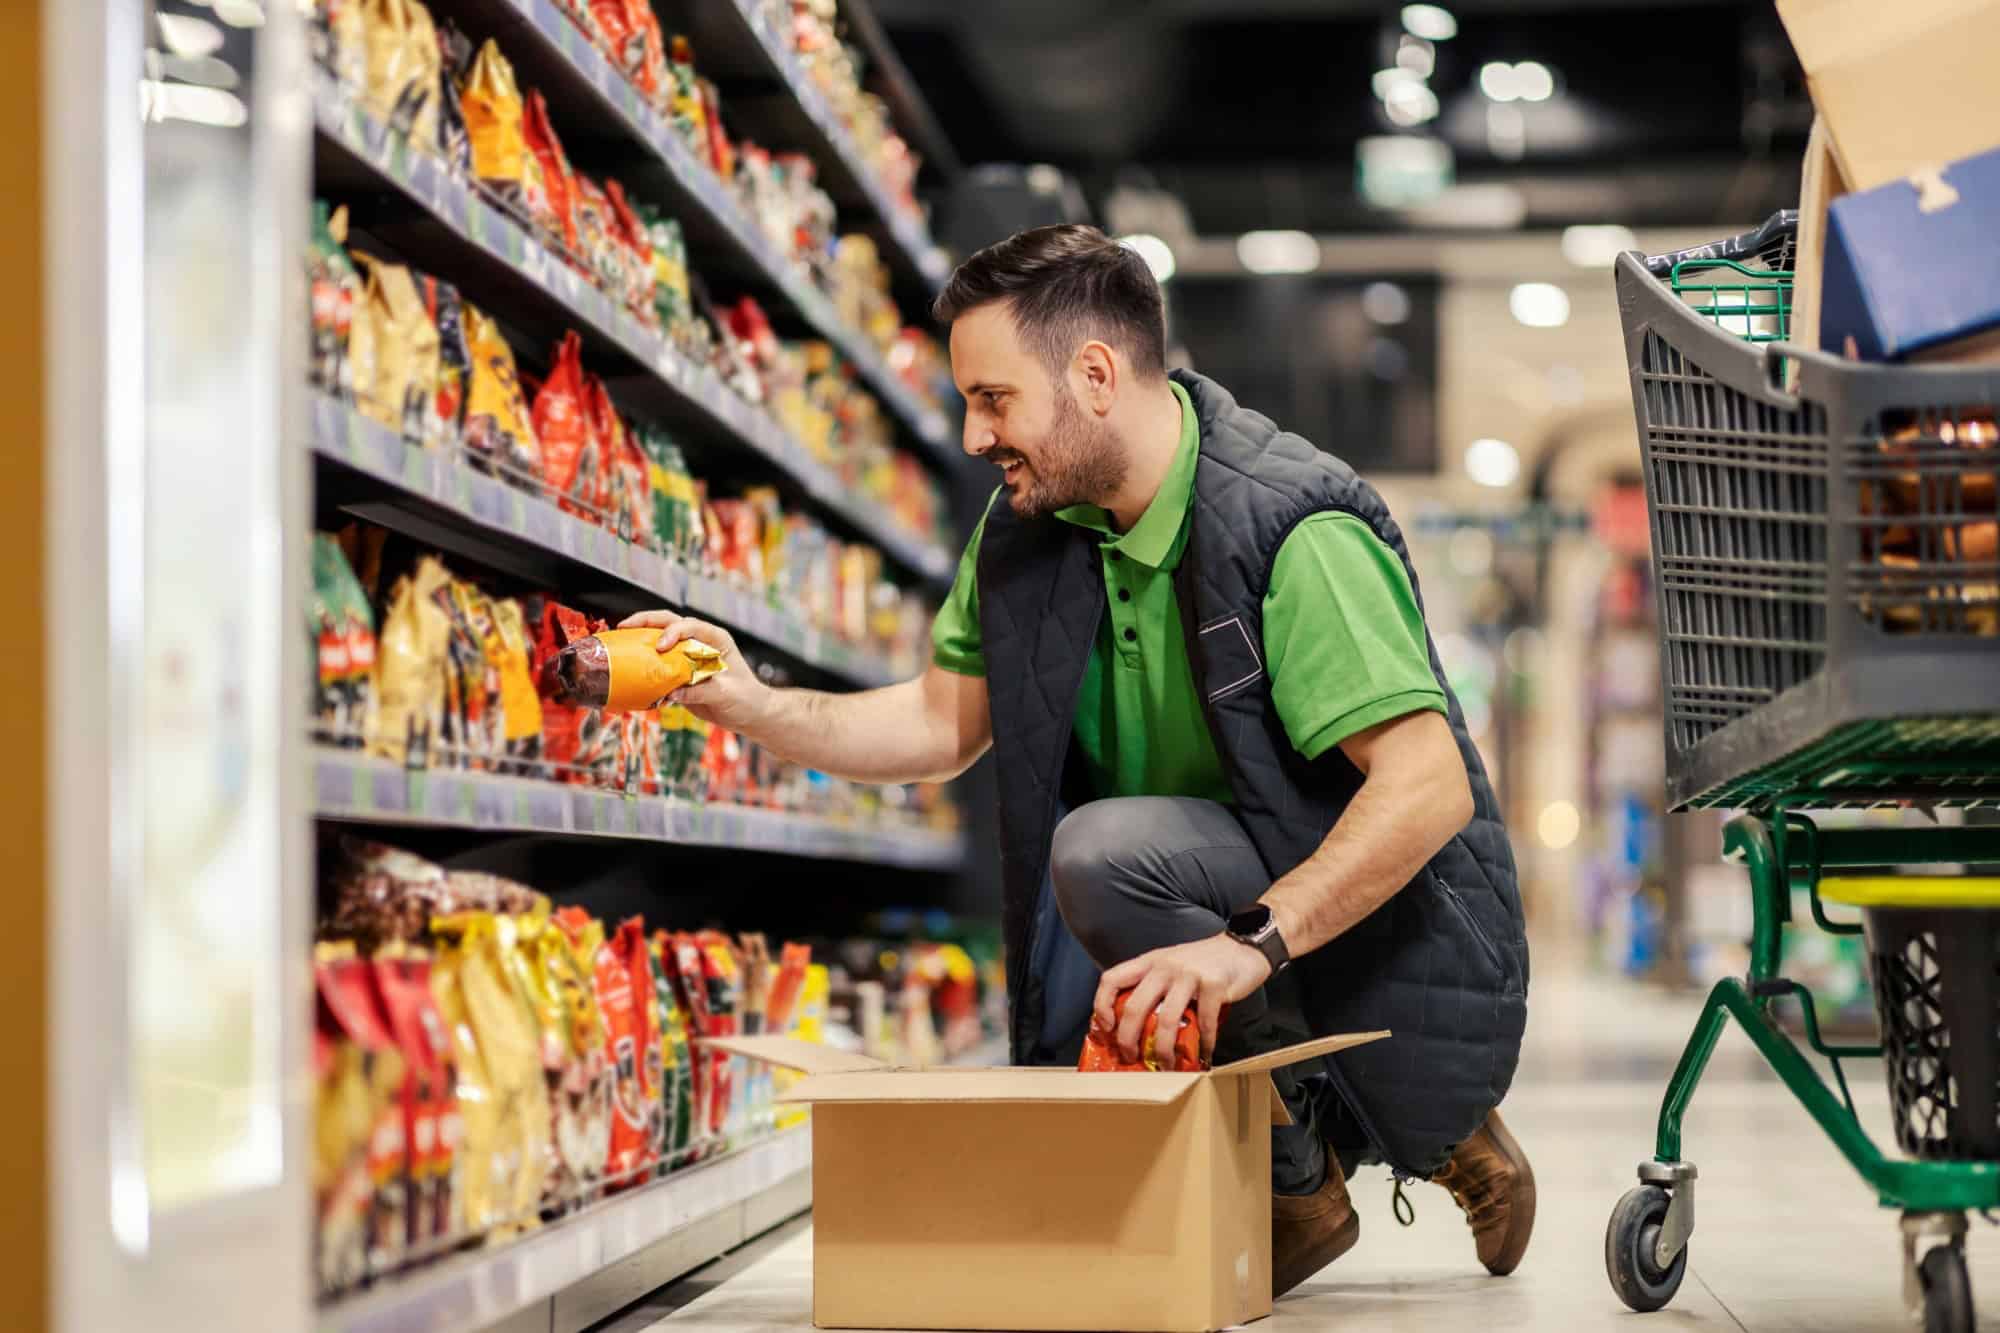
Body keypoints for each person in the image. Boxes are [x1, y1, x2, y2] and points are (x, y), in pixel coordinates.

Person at [624, 224, 1533, 1296]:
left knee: (1106, 854)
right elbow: (934, 723)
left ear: (1094, 375)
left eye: (993, 398)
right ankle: (1313, 1177)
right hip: (1188, 880)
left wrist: (1249, 943)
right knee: (1103, 878)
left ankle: (1419, 1129)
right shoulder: (1030, 531)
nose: (972, 435)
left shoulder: (1290, 524)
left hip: (1359, 895)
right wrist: (750, 701)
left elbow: (1422, 786)